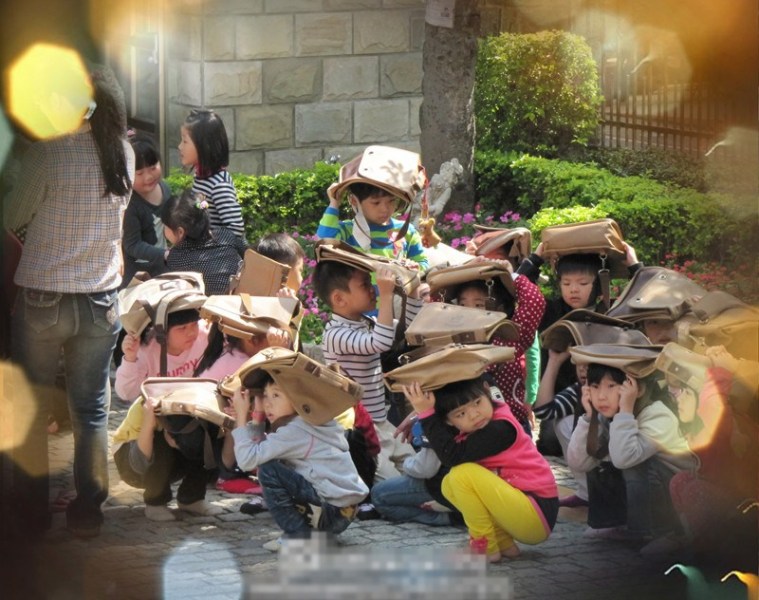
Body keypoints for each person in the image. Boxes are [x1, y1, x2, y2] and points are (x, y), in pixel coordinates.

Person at [5, 64, 134, 539]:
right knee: (91, 411)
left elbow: (13, 217)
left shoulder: (46, 155)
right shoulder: (123, 153)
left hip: (43, 297)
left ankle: (33, 513)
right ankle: (89, 512)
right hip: (101, 301)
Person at [402, 377, 559, 562]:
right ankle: (504, 544)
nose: (474, 414)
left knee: (461, 475)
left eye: (477, 402)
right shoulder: (484, 418)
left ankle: (484, 548)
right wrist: (420, 413)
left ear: (487, 391)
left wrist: (426, 414)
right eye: (460, 414)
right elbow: (445, 442)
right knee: (448, 484)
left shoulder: (500, 428)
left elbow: (451, 456)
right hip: (524, 510)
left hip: (535, 514)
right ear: (449, 422)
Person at [230, 374, 368, 551]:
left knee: (269, 470)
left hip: (331, 514)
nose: (268, 403)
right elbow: (261, 451)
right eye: (265, 395)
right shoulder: (310, 421)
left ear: (297, 400)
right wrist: (256, 418)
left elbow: (247, 460)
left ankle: (298, 538)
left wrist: (241, 417)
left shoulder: (296, 430)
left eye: (276, 395)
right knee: (270, 464)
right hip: (343, 513)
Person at [566, 358, 696, 544]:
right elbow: (579, 462)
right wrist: (588, 418)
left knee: (632, 460)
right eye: (595, 387)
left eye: (611, 386)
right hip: (645, 486)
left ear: (637, 389)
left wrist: (626, 409)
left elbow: (624, 459)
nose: (601, 396)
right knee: (597, 451)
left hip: (676, 498)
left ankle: (650, 531)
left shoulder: (659, 415)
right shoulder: (608, 415)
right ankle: (615, 523)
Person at [314, 261, 422, 483]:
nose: (373, 287)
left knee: (418, 472)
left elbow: (410, 327)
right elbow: (381, 342)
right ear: (339, 299)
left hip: (382, 422)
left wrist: (413, 289)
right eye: (365, 284)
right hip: (362, 431)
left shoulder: (366, 322)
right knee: (387, 486)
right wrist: (386, 295)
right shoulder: (335, 334)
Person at [451, 263, 546, 434]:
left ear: (500, 310)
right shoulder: (451, 342)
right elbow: (434, 305)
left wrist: (510, 275)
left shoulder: (509, 340)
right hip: (468, 433)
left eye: (479, 305)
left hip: (510, 428)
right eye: (463, 305)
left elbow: (534, 301)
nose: (469, 312)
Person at [111, 393, 223, 521]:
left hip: (173, 460)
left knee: (211, 433)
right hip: (132, 464)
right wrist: (149, 422)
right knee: (159, 439)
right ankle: (156, 502)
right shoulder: (147, 404)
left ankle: (192, 498)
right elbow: (139, 463)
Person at [316, 181, 429, 271]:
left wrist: (413, 268)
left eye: (391, 201)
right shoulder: (348, 231)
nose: (385, 209)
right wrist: (334, 202)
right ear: (354, 201)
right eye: (376, 203)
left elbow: (422, 263)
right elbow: (324, 241)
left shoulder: (406, 231)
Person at [115, 308, 210, 402]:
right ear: (163, 331)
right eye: (182, 328)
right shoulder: (146, 351)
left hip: (195, 402)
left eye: (194, 324)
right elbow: (126, 394)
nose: (191, 332)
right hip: (157, 407)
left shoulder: (204, 336)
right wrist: (130, 359)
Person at [162, 190, 247, 295]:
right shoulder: (226, 236)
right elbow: (247, 254)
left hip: (207, 308)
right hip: (238, 301)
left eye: (165, 226)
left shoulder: (175, 258)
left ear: (180, 232)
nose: (164, 229)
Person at [178, 109, 244, 237]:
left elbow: (236, 229)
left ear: (204, 146)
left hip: (217, 255)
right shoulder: (201, 177)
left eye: (185, 141)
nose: (180, 146)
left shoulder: (219, 185)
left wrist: (206, 238)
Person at [121, 132, 170, 286]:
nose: (148, 177)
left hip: (162, 270)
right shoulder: (130, 204)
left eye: (153, 167)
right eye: (139, 173)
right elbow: (132, 244)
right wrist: (165, 254)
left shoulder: (164, 188)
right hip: (138, 278)